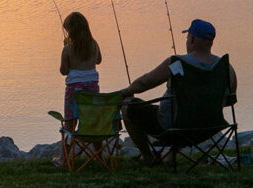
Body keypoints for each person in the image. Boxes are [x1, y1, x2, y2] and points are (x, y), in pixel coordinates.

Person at [120, 18, 237, 165]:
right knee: (185, 108)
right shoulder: (226, 68)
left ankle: (148, 156)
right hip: (210, 127)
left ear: (193, 39)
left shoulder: (177, 63)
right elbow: (230, 99)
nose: (187, 40)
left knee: (127, 105)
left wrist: (125, 92)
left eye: (188, 37)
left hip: (174, 129)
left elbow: (144, 83)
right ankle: (171, 154)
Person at [59, 11, 103, 132]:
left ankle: (67, 150)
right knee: (92, 120)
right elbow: (98, 60)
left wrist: (66, 52)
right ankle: (97, 150)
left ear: (71, 32)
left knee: (69, 124)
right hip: (92, 89)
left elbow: (64, 71)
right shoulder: (94, 44)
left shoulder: (67, 49)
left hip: (73, 91)